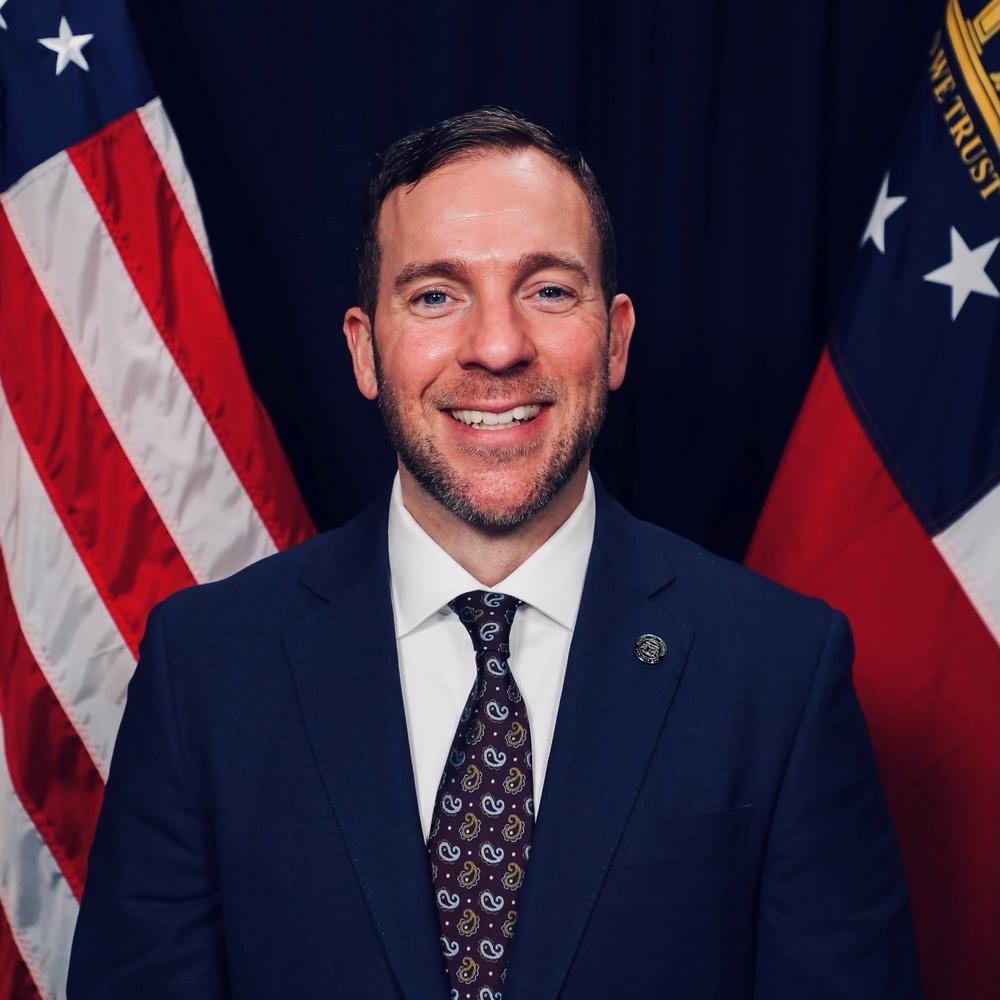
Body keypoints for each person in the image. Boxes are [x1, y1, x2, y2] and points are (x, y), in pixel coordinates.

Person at [68, 107, 922, 998]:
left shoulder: (780, 673)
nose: (498, 347)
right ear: (366, 351)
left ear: (617, 337)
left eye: (549, 290)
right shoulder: (205, 671)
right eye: (436, 294)